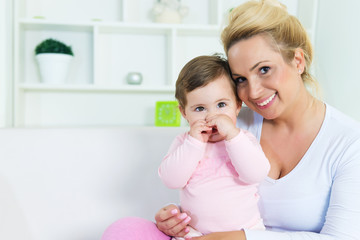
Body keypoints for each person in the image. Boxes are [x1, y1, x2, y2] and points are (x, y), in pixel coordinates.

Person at [101, 0, 360, 239]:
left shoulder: (349, 143)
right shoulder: (229, 122)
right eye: (240, 80)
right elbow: (200, 186)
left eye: (264, 69)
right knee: (124, 230)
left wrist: (240, 237)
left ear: (298, 61)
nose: (254, 92)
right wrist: (174, 218)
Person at [159, 55, 270, 239]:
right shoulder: (184, 142)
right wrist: (194, 143)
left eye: (221, 105)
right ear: (184, 112)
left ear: (237, 105)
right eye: (199, 109)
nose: (211, 116)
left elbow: (256, 174)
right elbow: (172, 180)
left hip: (246, 232)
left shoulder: (242, 139)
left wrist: (232, 136)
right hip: (194, 234)